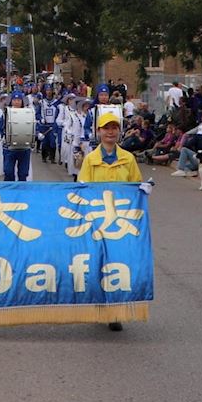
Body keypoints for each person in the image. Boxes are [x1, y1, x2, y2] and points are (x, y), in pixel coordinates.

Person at [76, 109, 143, 332]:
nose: (110, 132)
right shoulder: (91, 160)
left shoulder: (128, 159)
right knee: (98, 264)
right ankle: (100, 306)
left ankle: (115, 311)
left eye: (114, 128)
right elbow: (82, 191)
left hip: (121, 223)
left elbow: (137, 188)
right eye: (106, 128)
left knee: (120, 266)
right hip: (98, 222)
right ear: (99, 132)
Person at [0, 91, 32, 182]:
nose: (17, 102)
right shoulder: (6, 113)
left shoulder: (28, 113)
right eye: (15, 100)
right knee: (8, 172)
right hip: (9, 148)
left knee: (23, 174)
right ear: (11, 101)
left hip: (24, 148)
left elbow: (32, 126)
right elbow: (0, 127)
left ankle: (21, 193)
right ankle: (9, 191)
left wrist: (37, 133)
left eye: (19, 100)